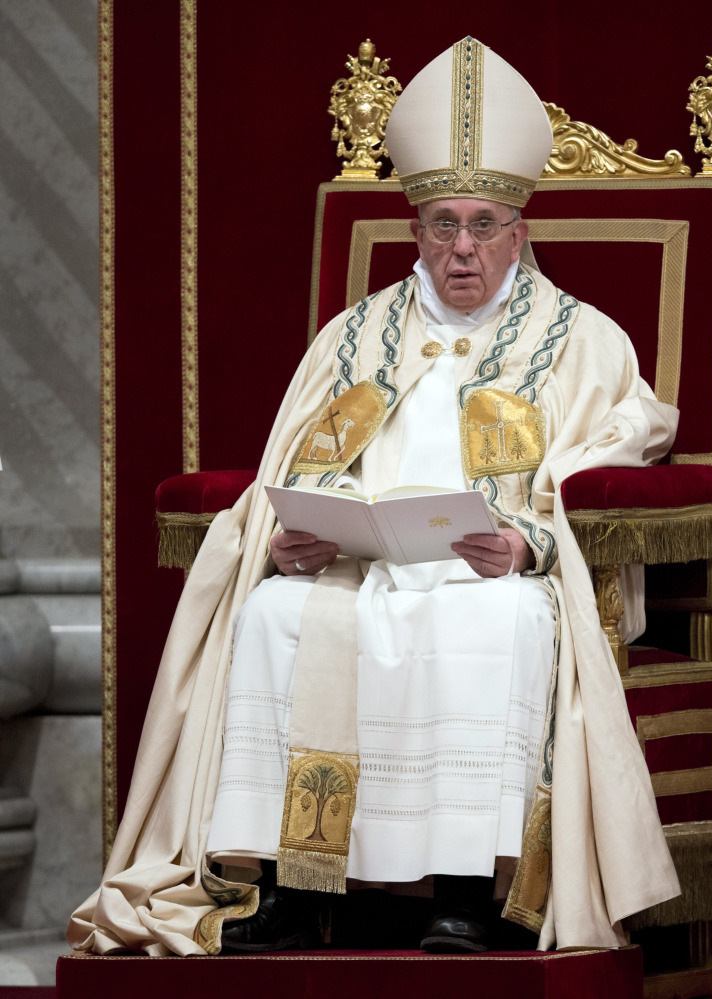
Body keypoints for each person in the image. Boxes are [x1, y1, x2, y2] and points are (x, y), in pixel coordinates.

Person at [68, 37, 680, 958]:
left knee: (499, 622)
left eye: (481, 224)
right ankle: (284, 885)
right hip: (361, 567)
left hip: (487, 571)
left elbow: (620, 446)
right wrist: (293, 534)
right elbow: (299, 461)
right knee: (275, 613)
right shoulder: (353, 337)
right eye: (442, 224)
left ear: (520, 228)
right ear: (414, 228)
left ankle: (471, 895)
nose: (462, 249)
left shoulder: (581, 340)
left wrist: (527, 541)